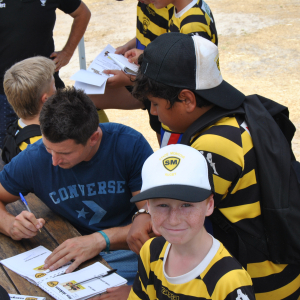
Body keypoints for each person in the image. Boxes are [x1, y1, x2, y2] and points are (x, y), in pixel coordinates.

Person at [129, 32, 300, 299]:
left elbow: (175, 221)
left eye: (155, 104)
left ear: (187, 99)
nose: (152, 112)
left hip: (255, 287)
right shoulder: (236, 116)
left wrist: (135, 223)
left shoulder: (214, 146)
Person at [0, 87, 153, 285]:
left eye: (64, 153)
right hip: (72, 252)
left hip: (128, 250)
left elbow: (155, 221)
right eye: (48, 148)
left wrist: (100, 240)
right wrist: (9, 224)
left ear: (93, 138)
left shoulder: (128, 146)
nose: (54, 161)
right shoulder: (36, 157)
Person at [128, 144, 255, 300]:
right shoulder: (150, 252)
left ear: (209, 205)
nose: (173, 220)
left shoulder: (229, 282)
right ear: (148, 206)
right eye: (162, 205)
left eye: (186, 205)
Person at [0, 0, 91, 149]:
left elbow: (83, 13)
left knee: (57, 147)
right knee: (7, 152)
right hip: (4, 95)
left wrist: (67, 52)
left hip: (46, 90)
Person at [1, 57, 56, 163]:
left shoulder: (17, 127)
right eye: (54, 85)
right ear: (45, 99)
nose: (57, 89)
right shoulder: (44, 146)